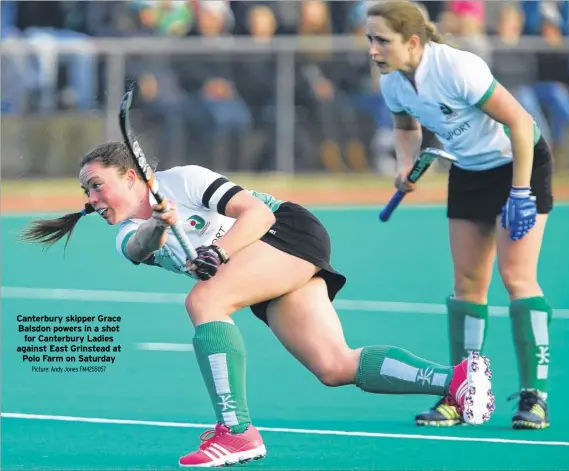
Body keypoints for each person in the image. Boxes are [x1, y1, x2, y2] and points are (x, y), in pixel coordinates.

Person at [21, 141, 495, 468]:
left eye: (97, 184)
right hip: (259, 264)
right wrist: (163, 225)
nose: (91, 198)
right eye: (85, 190)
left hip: (283, 231)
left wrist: (219, 252)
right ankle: (456, 380)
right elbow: (141, 246)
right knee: (333, 365)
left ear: (130, 176)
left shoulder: (183, 180)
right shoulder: (126, 230)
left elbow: (259, 212)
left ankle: (236, 432)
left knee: (205, 300)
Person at [365, 1, 553, 430]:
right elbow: (405, 127)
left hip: (517, 163)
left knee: (516, 277)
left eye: (381, 41)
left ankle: (534, 398)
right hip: (469, 170)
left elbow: (521, 123)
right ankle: (464, 392)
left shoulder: (457, 68)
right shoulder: (393, 81)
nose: (373, 50)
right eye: (369, 40)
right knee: (467, 285)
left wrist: (521, 193)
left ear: (413, 41)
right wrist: (404, 163)